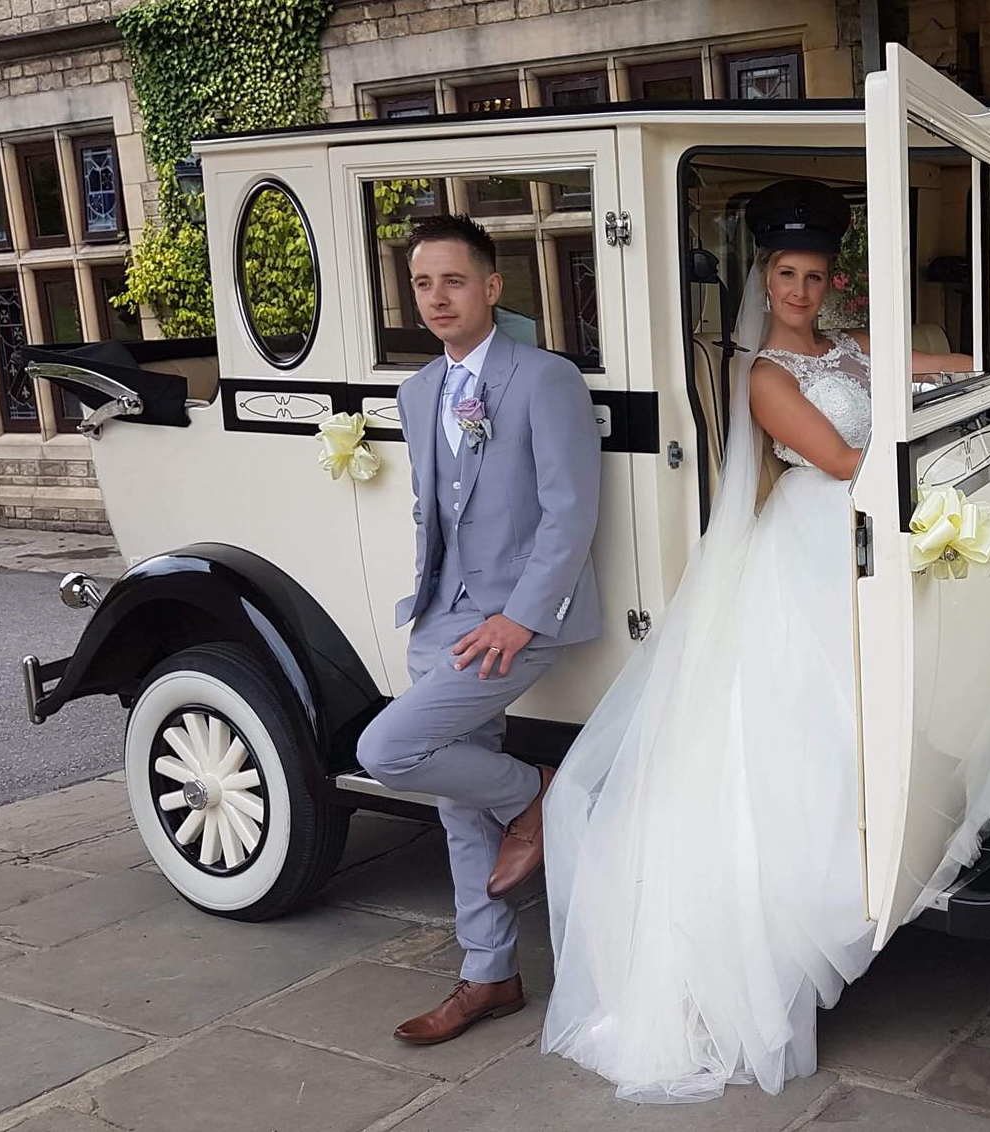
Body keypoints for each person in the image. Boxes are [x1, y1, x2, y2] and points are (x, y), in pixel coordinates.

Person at [541, 178, 990, 1102]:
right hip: (812, 549)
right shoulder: (765, 375)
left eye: (815, 275)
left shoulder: (850, 347)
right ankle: (777, 947)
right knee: (801, 743)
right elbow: (849, 463)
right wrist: (935, 493)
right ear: (764, 279)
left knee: (859, 725)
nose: (802, 291)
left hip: (856, 547)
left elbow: (950, 364)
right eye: (787, 274)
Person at [355, 213, 603, 1046]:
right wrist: (428, 605)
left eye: (453, 281)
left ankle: (538, 791)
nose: (436, 298)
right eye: (422, 283)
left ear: (492, 287)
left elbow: (571, 515)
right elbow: (434, 510)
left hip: (523, 617)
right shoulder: (419, 389)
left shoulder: (546, 378)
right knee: (459, 802)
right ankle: (488, 976)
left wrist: (519, 616)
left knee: (386, 751)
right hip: (443, 618)